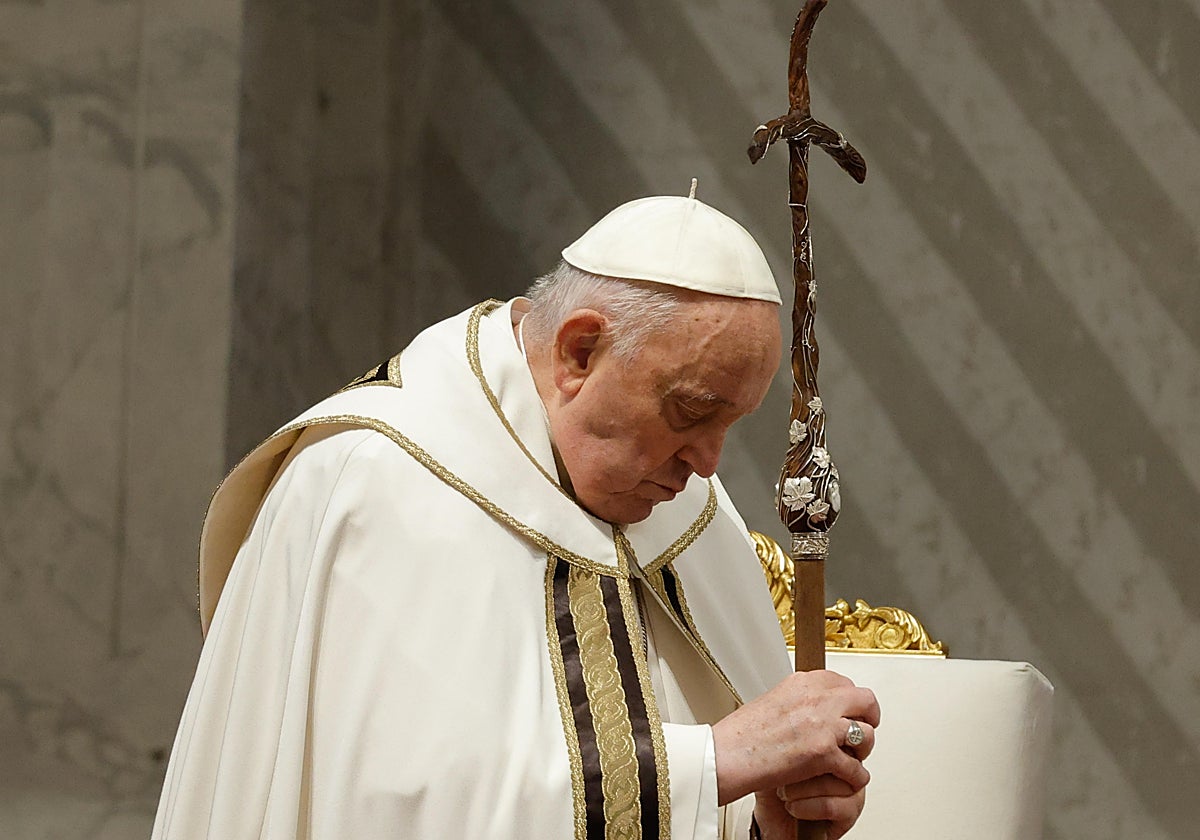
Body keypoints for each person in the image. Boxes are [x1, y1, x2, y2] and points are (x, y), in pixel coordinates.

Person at [152, 192, 880, 840]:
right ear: (579, 351)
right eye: (690, 411)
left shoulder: (687, 512)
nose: (710, 463)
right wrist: (716, 763)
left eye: (734, 423)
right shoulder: (378, 487)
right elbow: (400, 812)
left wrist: (763, 826)